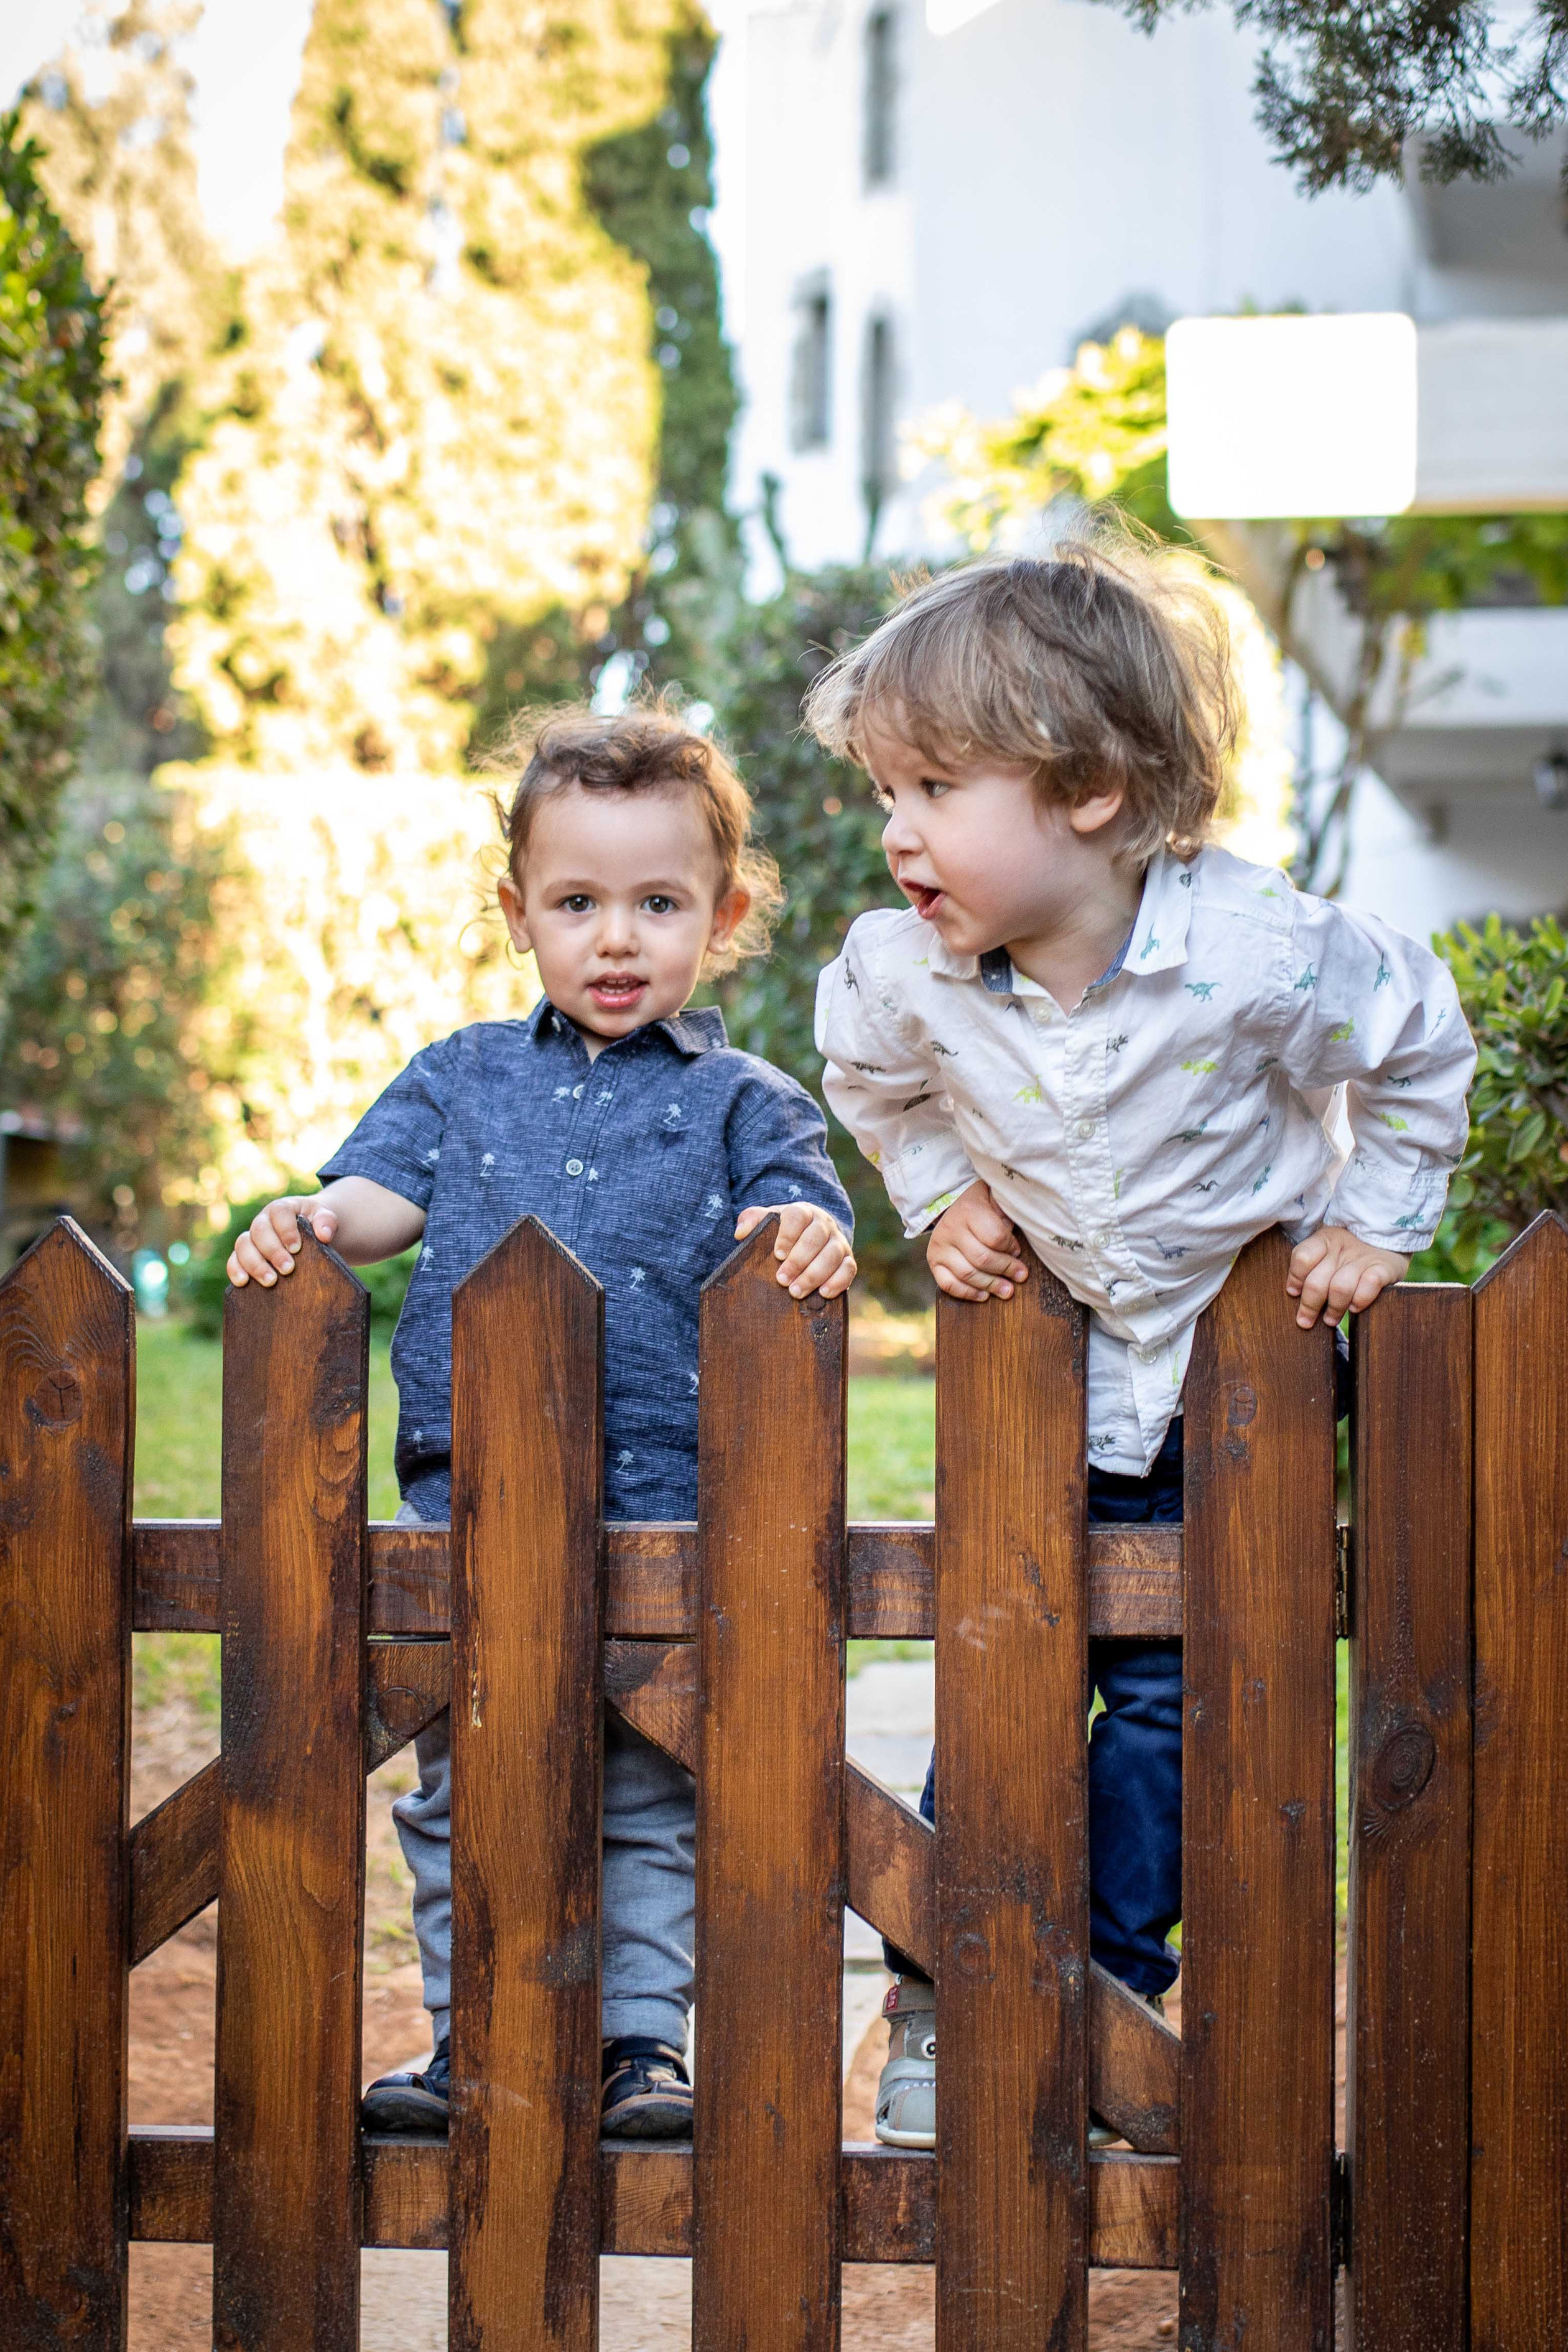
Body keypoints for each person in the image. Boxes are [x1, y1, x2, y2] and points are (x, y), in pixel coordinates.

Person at [807, 539, 1475, 2149]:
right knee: (1003, 1665)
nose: (896, 827)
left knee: (1175, 1708)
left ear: (1093, 787)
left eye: (936, 784)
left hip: (1225, 1387)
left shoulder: (1257, 951)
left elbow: (1418, 1038)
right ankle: (939, 2000)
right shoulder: (903, 969)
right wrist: (937, 1185)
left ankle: (1106, 1998)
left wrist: (1377, 1219)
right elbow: (868, 1077)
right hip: (1046, 1373)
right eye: (886, 786)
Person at [227, 702, 856, 2141]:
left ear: (726, 913)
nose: (616, 939)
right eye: (577, 903)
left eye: (657, 903)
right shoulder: (460, 1072)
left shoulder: (747, 1100)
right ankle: (474, 2033)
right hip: (470, 1500)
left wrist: (800, 1232)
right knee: (466, 1785)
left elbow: (799, 1212)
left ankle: (641, 2046)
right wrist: (313, 1217)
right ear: (518, 912)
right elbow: (380, 1199)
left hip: (667, 1505)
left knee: (644, 1787)